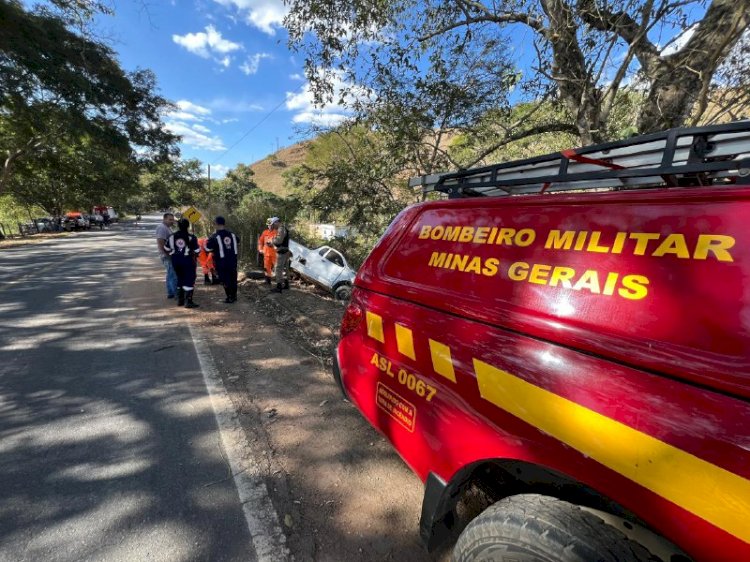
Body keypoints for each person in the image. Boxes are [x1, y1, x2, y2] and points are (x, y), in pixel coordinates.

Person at [164, 219, 200, 308]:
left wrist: (175, 252)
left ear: (178, 226)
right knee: (189, 279)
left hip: (176, 261)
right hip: (188, 261)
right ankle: (188, 301)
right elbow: (197, 250)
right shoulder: (192, 237)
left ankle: (180, 300)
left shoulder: (171, 237)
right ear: (188, 226)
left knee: (180, 278)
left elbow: (167, 248)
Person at [206, 216, 240, 303]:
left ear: (216, 224)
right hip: (233, 260)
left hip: (221, 262)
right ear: (224, 224)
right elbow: (238, 240)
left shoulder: (215, 236)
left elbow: (208, 247)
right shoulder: (232, 234)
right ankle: (234, 296)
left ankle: (229, 297)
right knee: (233, 278)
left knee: (225, 279)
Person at [155, 213, 178, 300]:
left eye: (172, 219)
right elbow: (160, 242)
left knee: (169, 273)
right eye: (170, 219)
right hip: (166, 255)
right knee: (173, 274)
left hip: (167, 254)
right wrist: (167, 254)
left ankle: (170, 292)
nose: (172, 221)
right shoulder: (162, 228)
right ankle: (176, 293)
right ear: (164, 219)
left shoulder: (167, 228)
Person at [268, 217, 290, 293]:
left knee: (278, 269)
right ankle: (286, 284)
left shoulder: (281, 229)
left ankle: (279, 287)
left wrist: (272, 240)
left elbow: (279, 241)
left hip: (282, 252)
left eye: (273, 224)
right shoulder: (283, 228)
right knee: (285, 269)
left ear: (277, 222)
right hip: (285, 251)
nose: (273, 226)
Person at [258, 217, 276, 285]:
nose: (270, 226)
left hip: (275, 253)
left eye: (271, 225)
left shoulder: (277, 233)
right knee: (267, 267)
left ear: (273, 225)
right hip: (266, 253)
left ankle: (281, 283)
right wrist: (260, 249)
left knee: (277, 268)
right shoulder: (265, 232)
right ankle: (268, 281)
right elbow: (260, 241)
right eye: (268, 225)